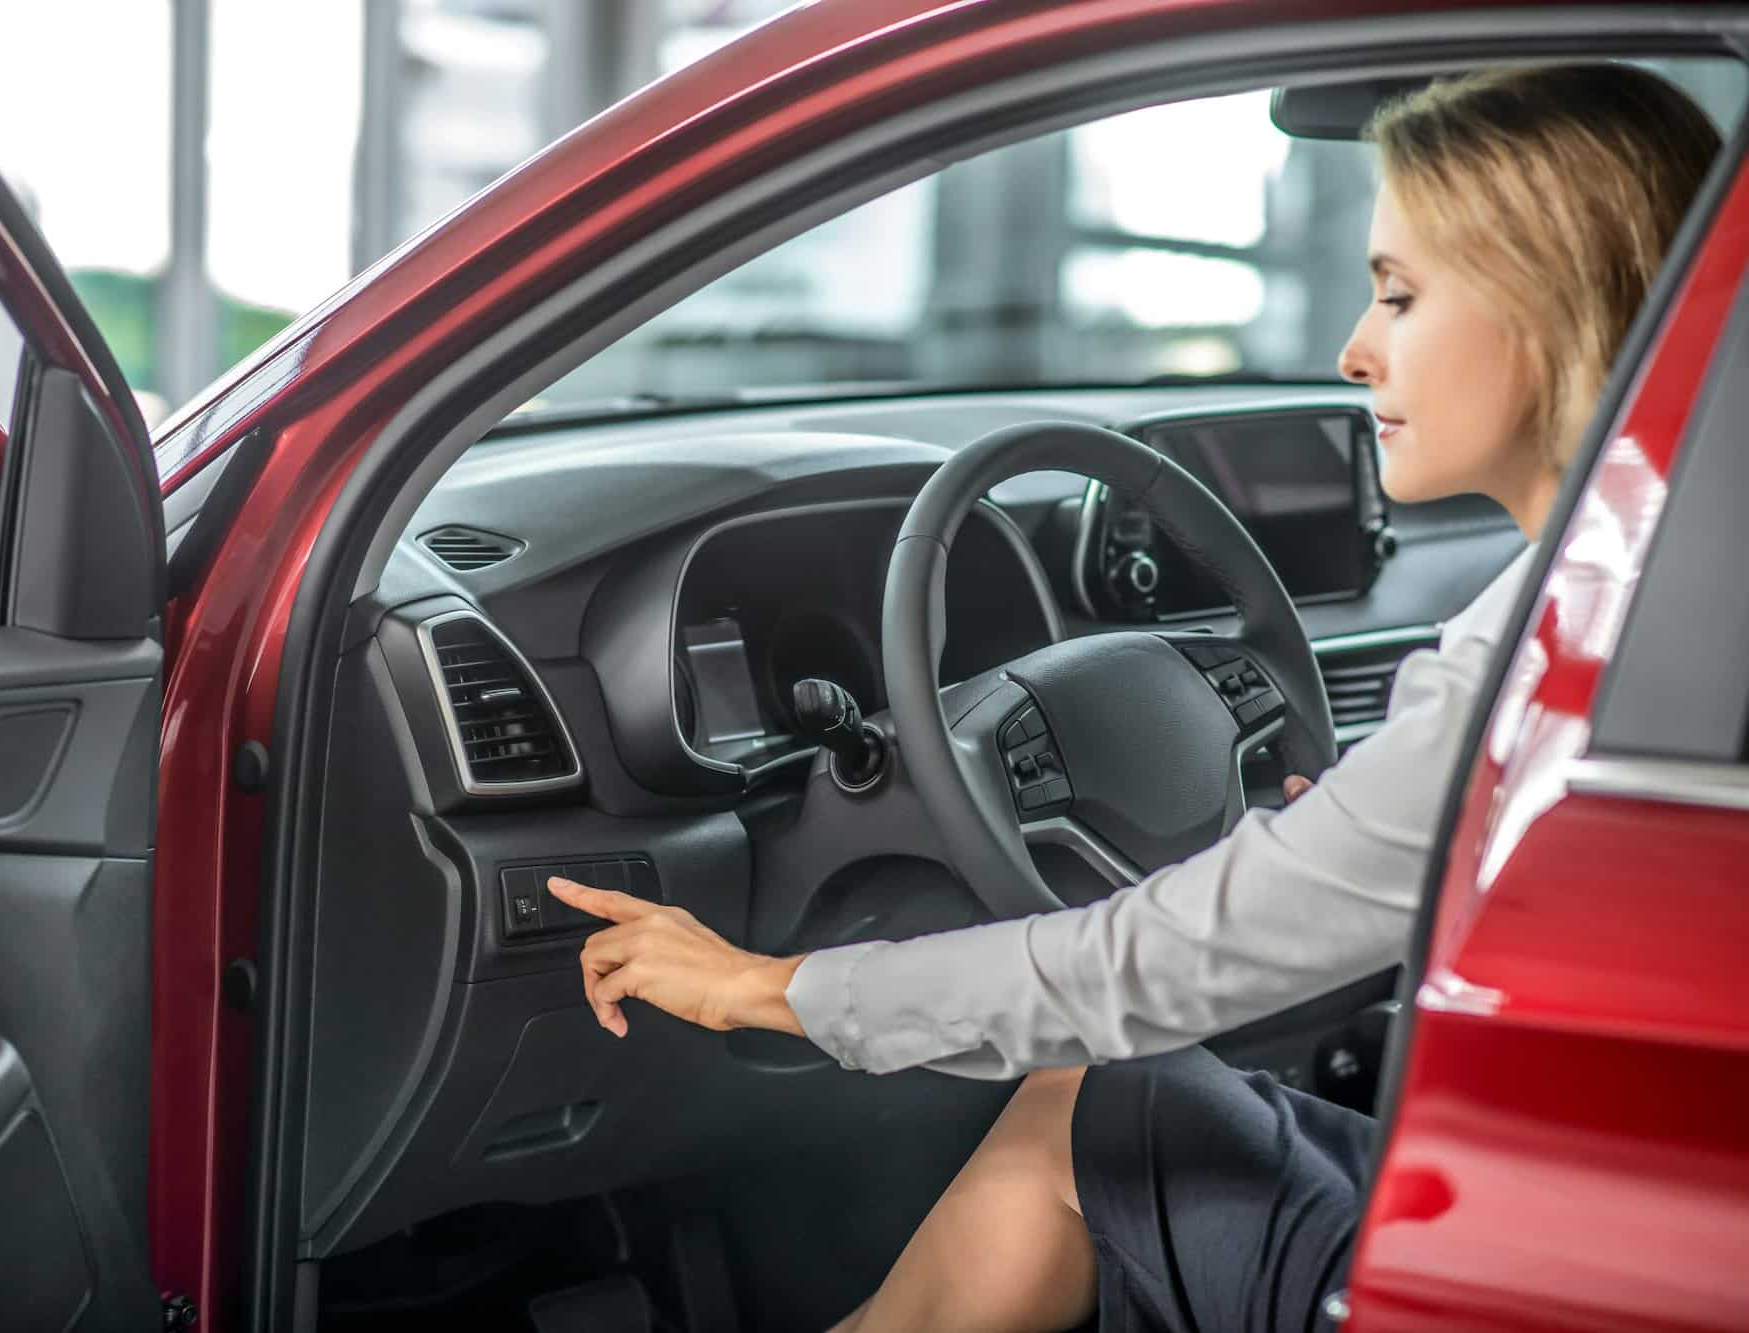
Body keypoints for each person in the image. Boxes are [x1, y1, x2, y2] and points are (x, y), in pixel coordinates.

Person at [544, 64, 1722, 1333]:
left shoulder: (1539, 660)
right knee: (1103, 1097)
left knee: (1087, 1093)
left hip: (1550, 1263)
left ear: (1552, 303)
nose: (1351, 348)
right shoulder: (1664, 596)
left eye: (1399, 293)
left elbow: (1136, 967)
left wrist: (763, 987)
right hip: (1656, 1220)